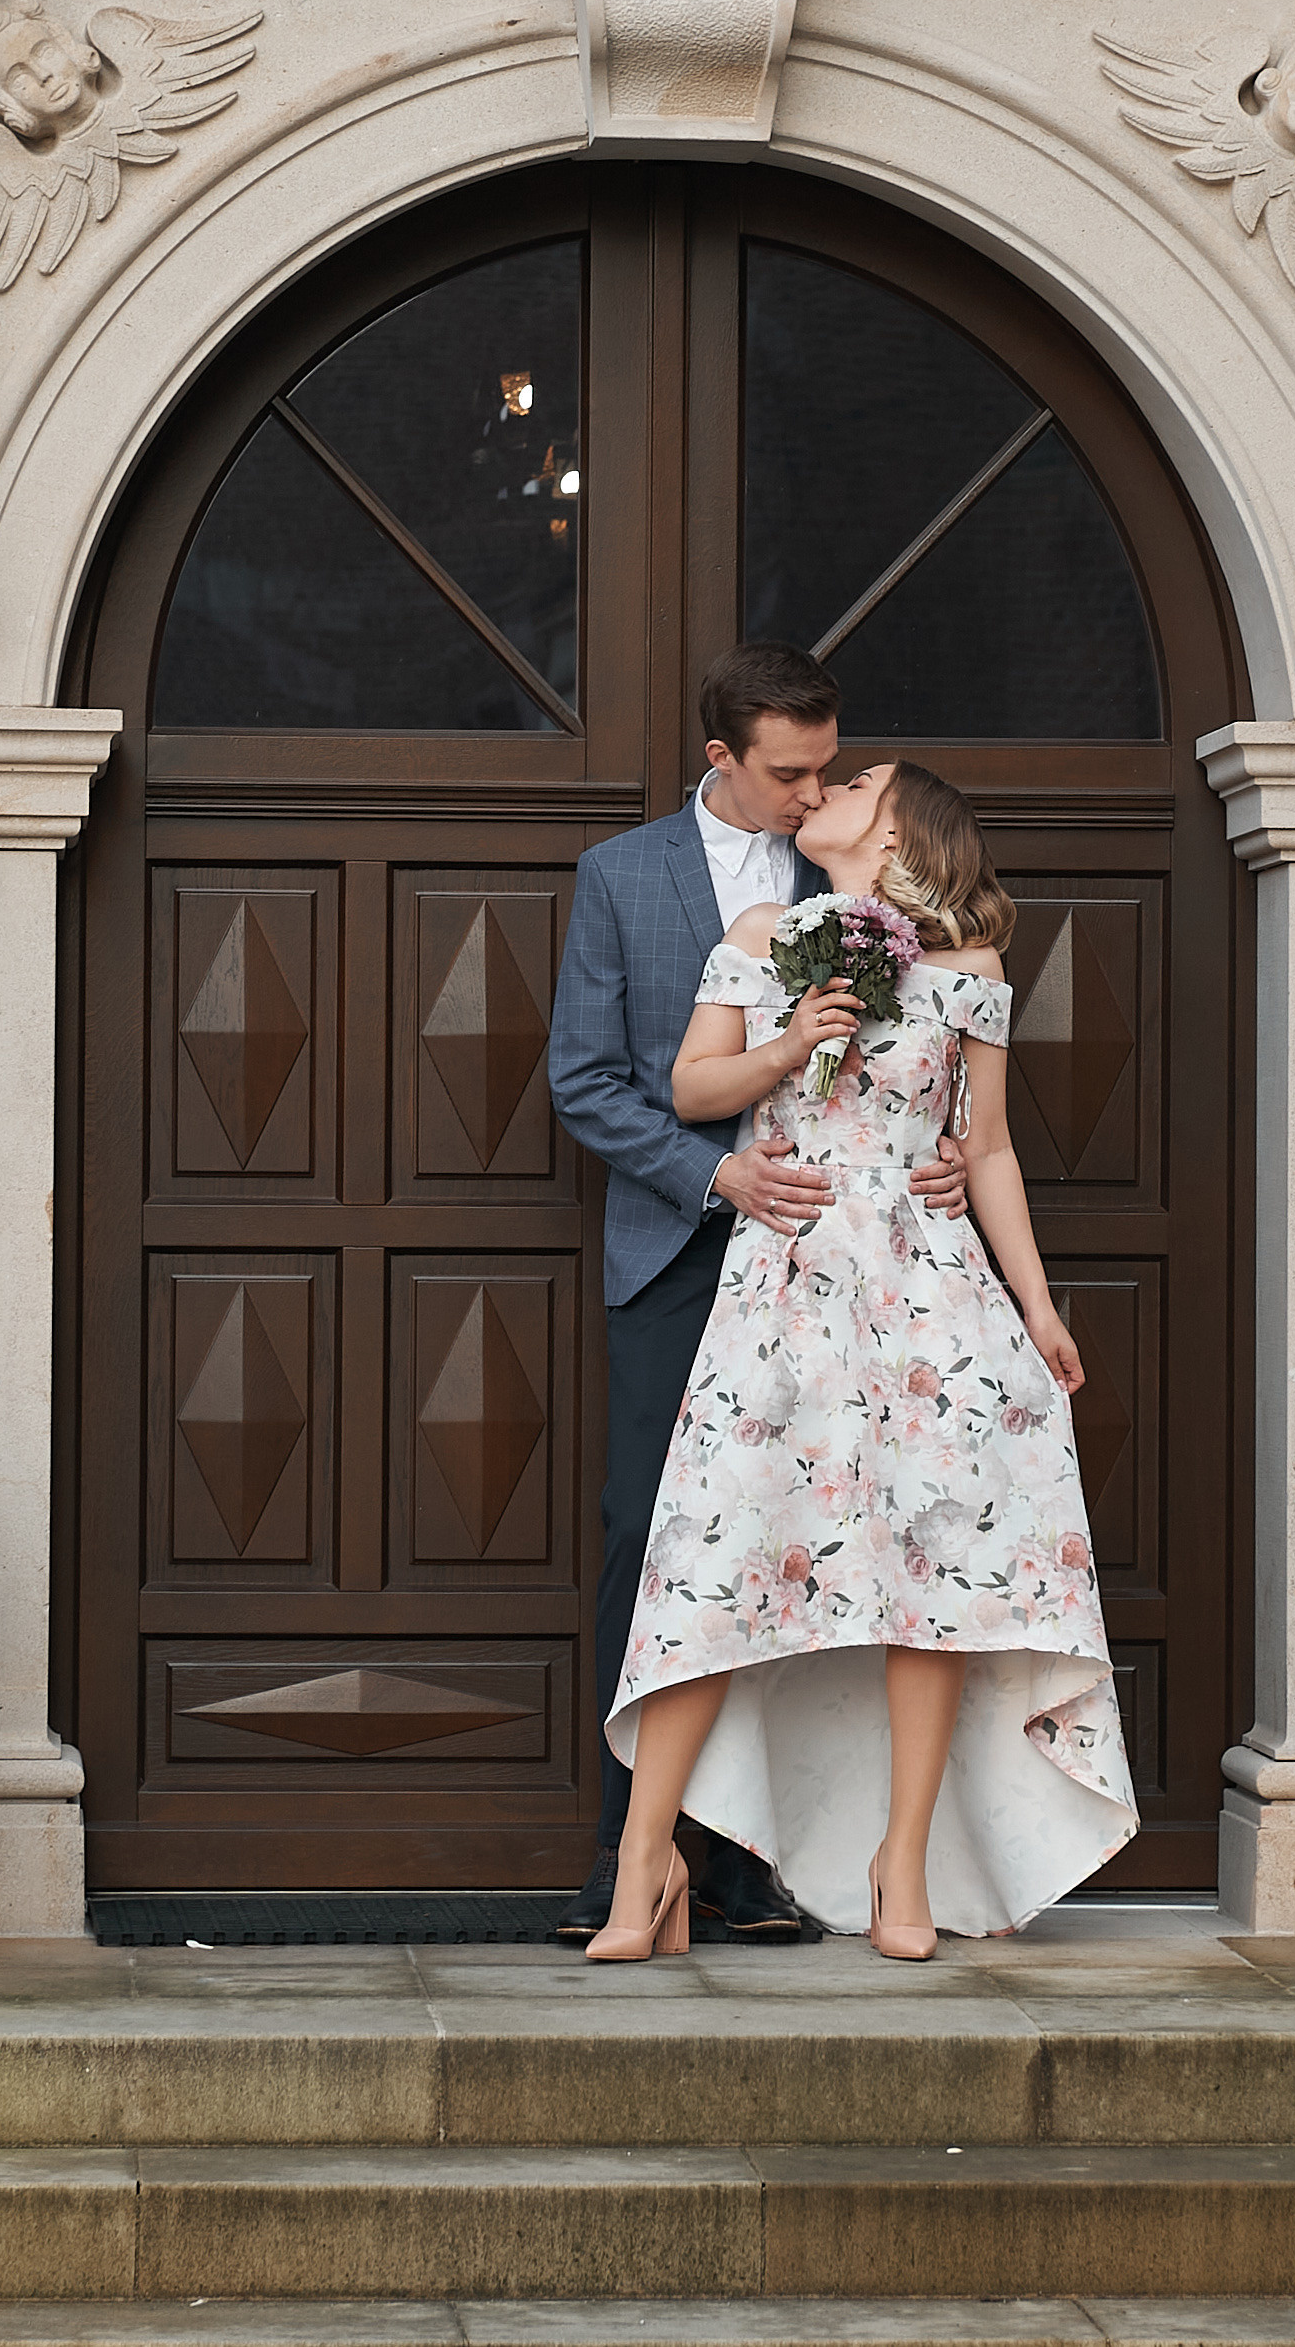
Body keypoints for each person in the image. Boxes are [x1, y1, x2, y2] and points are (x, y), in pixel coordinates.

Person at [587, 757, 1136, 1962]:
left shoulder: (970, 974)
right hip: (781, 1278)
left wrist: (1039, 1310)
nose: (831, 782)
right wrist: (791, 1043)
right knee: (714, 1561)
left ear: (898, 836)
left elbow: (984, 1149)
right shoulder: (762, 929)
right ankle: (645, 1860)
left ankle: (904, 1857)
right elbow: (689, 1089)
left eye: (862, 780)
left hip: (928, 1291)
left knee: (930, 1564)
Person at [545, 646, 971, 1943]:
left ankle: (745, 1865)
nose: (812, 788)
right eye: (786, 769)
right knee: (656, 1540)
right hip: (680, 1255)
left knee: (804, 1547)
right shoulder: (619, 877)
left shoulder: (845, 874)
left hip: (839, 1276)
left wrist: (943, 1149)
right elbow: (587, 1080)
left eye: (825, 766)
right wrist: (716, 1172)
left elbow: (937, 1052)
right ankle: (641, 1851)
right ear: (719, 755)